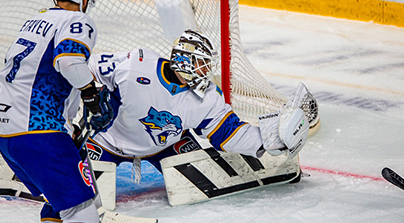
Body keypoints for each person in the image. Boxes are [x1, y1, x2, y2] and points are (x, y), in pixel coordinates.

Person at [0, 0, 113, 223]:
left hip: (5, 134)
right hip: (38, 132)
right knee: (84, 210)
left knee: (59, 203)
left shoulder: (36, 19)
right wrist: (92, 92)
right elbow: (70, 61)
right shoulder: (79, 21)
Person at [78, 29, 308, 188]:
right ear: (183, 60)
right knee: (72, 187)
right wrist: (89, 98)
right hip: (108, 142)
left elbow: (228, 131)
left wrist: (267, 142)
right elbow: (80, 68)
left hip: (167, 146)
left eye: (207, 65)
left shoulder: (207, 96)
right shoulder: (135, 65)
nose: (205, 71)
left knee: (209, 178)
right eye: (200, 63)